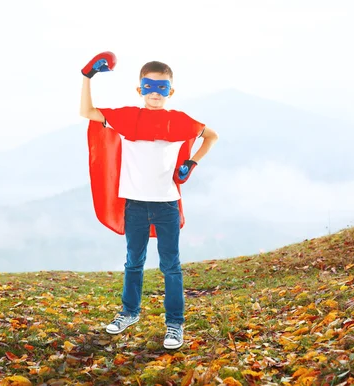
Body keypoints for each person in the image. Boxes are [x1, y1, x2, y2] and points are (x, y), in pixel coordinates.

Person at [79, 52, 218, 349]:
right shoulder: (128, 117)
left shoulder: (179, 121)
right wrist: (87, 77)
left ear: (171, 91)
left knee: (171, 266)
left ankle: (174, 324)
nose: (155, 93)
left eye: (162, 87)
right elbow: (88, 112)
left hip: (166, 204)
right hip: (135, 205)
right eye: (149, 86)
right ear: (139, 88)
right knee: (134, 262)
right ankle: (129, 313)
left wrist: (192, 163)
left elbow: (211, 136)